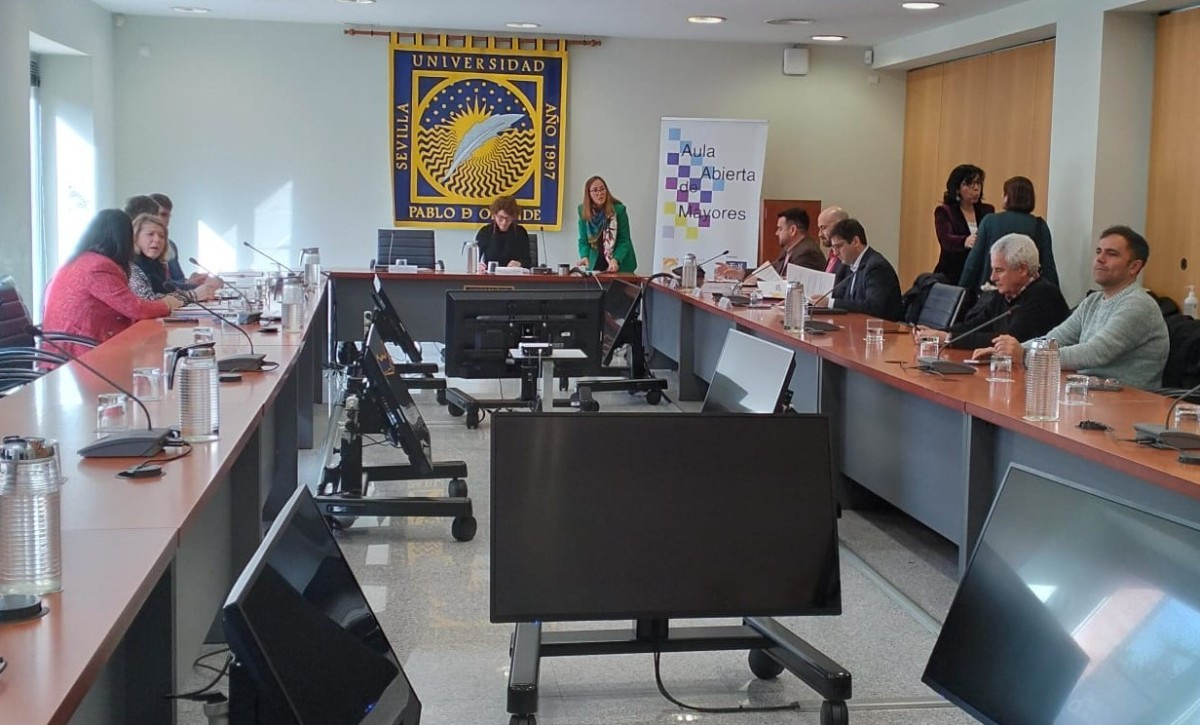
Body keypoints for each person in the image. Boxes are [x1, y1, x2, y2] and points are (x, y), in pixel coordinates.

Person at [985, 226, 1169, 389]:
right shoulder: (1093, 301)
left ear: (1134, 267)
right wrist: (1006, 353)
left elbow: (1094, 353)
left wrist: (1026, 355)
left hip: (1128, 403)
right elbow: (1054, 339)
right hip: (1088, 393)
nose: (1100, 259)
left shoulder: (1138, 304)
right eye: (1098, 252)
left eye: (1111, 254)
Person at [42, 209, 182, 355]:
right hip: (78, 354)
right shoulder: (98, 266)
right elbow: (135, 308)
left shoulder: (78, 261)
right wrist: (168, 304)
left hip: (61, 349)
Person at [915, 234, 1068, 351]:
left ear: (1022, 269)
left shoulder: (1044, 295)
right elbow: (974, 326)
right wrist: (936, 333)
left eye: (999, 270)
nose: (992, 277)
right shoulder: (1006, 293)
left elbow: (1007, 340)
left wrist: (948, 338)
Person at [959, 176, 1057, 292]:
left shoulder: (990, 221)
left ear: (1007, 197)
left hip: (991, 291)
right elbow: (1048, 266)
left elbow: (973, 264)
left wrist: (960, 291)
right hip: (1026, 293)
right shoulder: (1039, 226)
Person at [813, 218, 903, 321]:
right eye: (833, 248)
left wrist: (829, 302)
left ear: (855, 241)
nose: (836, 253)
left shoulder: (876, 267)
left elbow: (873, 307)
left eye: (838, 246)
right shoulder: (851, 265)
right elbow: (846, 299)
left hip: (883, 328)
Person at [128, 213, 218, 303]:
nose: (157, 239)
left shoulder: (158, 266)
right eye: (150, 234)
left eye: (161, 236)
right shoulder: (130, 267)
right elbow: (148, 301)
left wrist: (202, 288)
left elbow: (171, 291)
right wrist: (193, 295)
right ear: (135, 237)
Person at [934, 164, 994, 284]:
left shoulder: (987, 211)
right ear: (957, 189)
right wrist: (964, 241)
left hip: (979, 273)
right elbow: (946, 240)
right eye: (969, 184)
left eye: (978, 183)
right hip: (952, 272)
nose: (976, 188)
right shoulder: (945, 211)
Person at [577, 176, 636, 273]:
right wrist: (584, 256)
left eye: (602, 189)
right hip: (596, 261)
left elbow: (624, 240)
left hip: (619, 261)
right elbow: (583, 239)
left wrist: (616, 259)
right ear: (589, 194)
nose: (600, 193)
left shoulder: (619, 210)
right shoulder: (583, 210)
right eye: (595, 190)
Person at [474, 195, 531, 269]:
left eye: (508, 218)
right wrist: (479, 265)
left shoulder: (521, 232)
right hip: (490, 275)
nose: (504, 222)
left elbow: (528, 262)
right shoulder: (485, 232)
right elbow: (476, 260)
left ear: (513, 217)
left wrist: (520, 264)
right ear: (494, 215)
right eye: (500, 218)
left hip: (513, 274)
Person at [816, 206, 849, 275]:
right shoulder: (832, 255)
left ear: (839, 225)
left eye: (823, 228)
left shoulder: (849, 257)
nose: (820, 234)